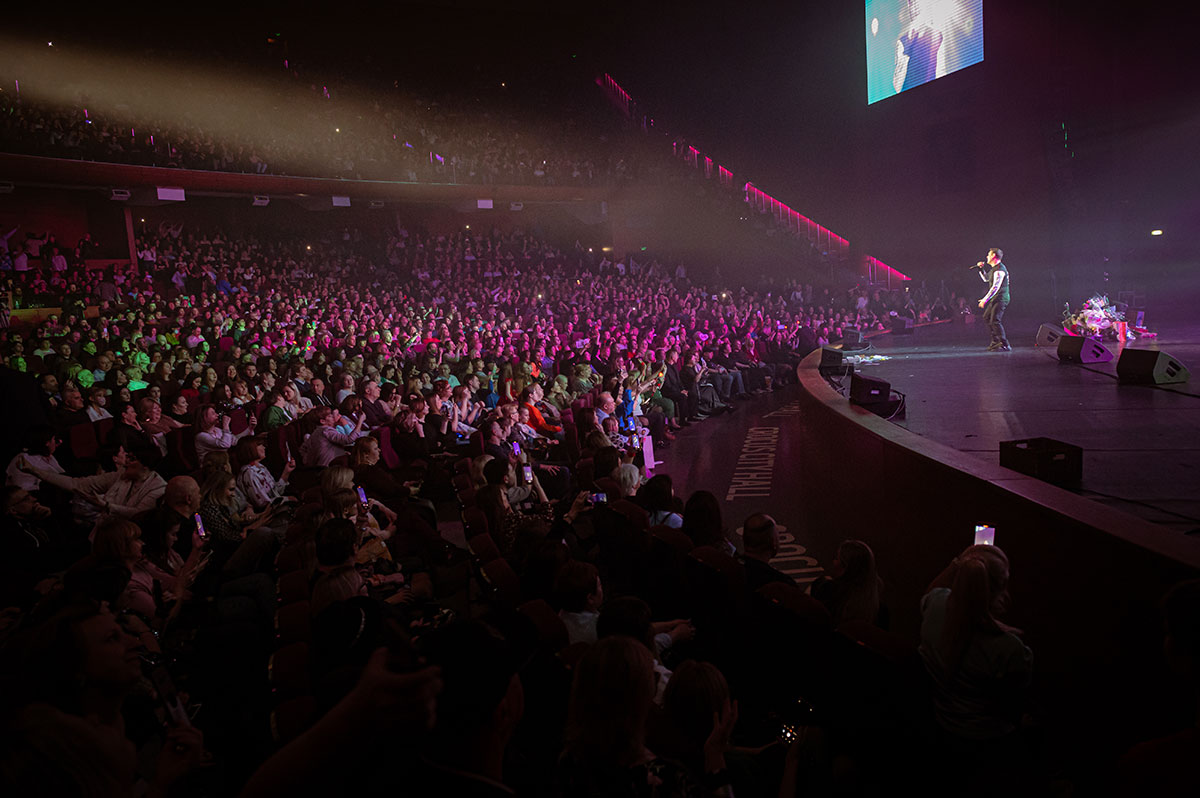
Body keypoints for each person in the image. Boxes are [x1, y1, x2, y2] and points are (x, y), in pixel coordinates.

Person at [975, 247, 1010, 352]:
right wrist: (981, 269)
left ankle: (1004, 344)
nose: (987, 256)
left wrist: (984, 300)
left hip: (1001, 298)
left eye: (989, 255)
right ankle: (995, 342)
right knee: (986, 317)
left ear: (994, 256)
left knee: (995, 320)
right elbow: (986, 279)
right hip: (996, 298)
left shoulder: (999, 270)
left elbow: (995, 287)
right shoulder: (994, 269)